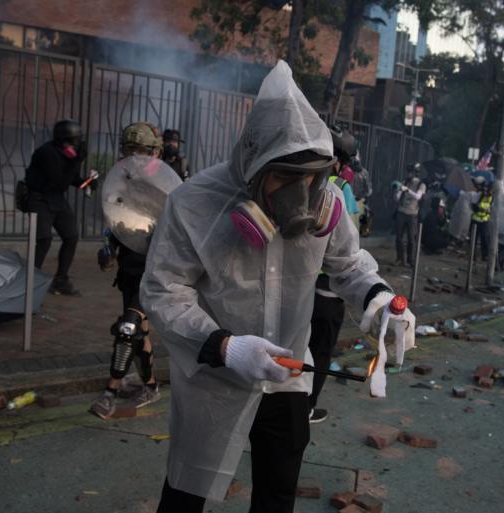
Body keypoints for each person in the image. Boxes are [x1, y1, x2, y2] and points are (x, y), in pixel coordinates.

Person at [141, 61, 415, 513]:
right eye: (287, 177)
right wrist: (225, 347)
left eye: (312, 177)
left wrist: (380, 299)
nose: (302, 194)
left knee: (278, 491)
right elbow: (163, 290)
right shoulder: (194, 205)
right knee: (187, 490)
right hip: (215, 376)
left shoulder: (324, 203)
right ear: (254, 168)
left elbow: (348, 265)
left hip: (290, 375)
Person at [90, 122, 174, 419]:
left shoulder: (168, 184)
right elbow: (117, 219)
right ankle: (150, 386)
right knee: (138, 332)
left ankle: (109, 394)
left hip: (154, 268)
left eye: (142, 152)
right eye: (130, 151)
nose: (136, 157)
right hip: (129, 266)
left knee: (128, 327)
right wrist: (108, 247)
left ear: (155, 153)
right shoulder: (122, 179)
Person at [307, 125, 357, 424]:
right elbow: (348, 245)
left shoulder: (303, 178)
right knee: (321, 351)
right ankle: (307, 406)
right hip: (328, 286)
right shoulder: (340, 188)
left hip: (301, 284)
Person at [24, 119, 90, 296]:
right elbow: (59, 182)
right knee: (44, 240)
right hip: (39, 199)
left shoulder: (67, 153)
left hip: (56, 199)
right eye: (76, 140)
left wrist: (86, 182)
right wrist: (77, 160)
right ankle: (29, 283)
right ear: (65, 140)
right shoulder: (46, 153)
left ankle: (60, 280)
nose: (78, 144)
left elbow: (71, 178)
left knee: (71, 236)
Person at [394, 162, 426, 267]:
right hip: (401, 212)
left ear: (415, 173)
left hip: (412, 214)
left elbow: (418, 197)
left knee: (411, 239)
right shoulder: (405, 182)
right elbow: (397, 199)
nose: (408, 174)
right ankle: (400, 259)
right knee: (398, 237)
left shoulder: (421, 184)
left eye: (410, 172)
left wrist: (407, 190)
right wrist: (397, 191)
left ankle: (410, 260)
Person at [470, 176, 493, 261]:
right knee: (477, 239)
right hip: (480, 220)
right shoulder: (481, 195)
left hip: (481, 220)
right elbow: (473, 206)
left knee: (481, 239)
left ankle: (481, 256)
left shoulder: (481, 195)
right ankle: (475, 256)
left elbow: (473, 205)